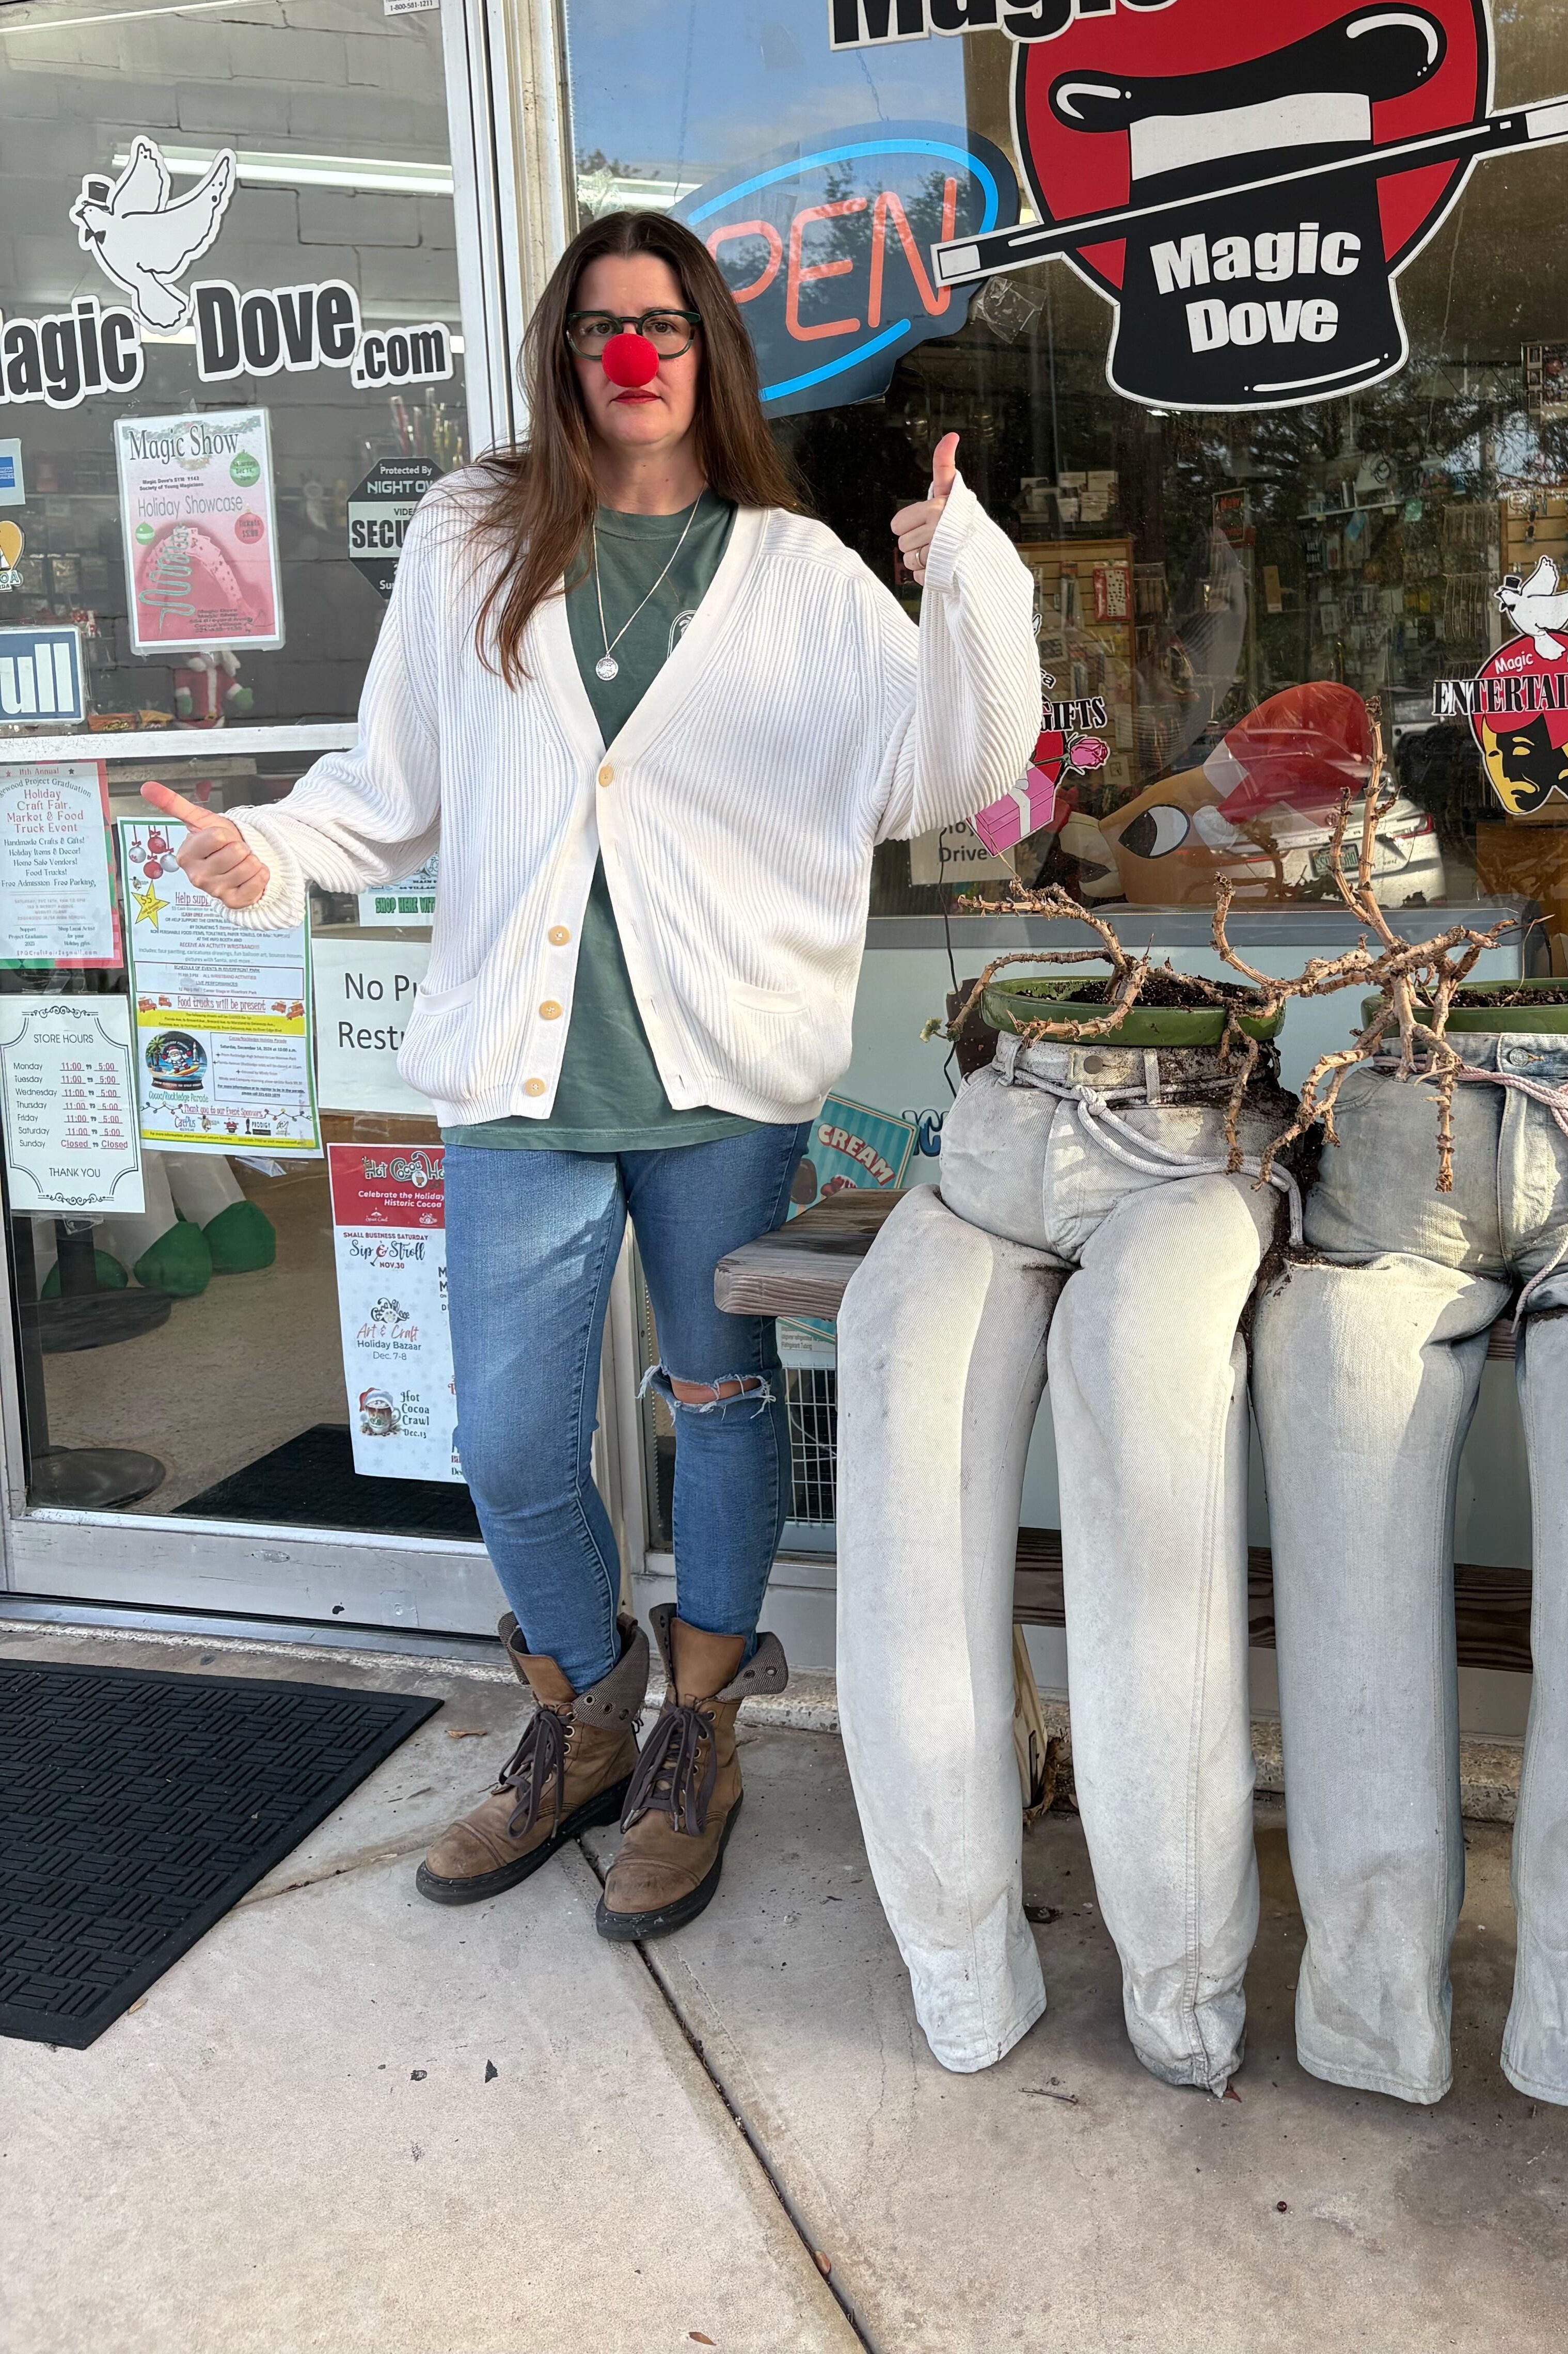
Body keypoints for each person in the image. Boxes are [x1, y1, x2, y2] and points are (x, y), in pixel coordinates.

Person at [145, 209, 1038, 1942]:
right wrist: (273, 851)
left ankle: (700, 1729)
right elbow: (390, 783)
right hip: (519, 1073)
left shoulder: (794, 572)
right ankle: (581, 1709)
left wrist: (968, 588)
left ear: (709, 352)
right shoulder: (474, 540)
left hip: (723, 1075)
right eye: (599, 326)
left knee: (719, 1404)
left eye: (664, 324)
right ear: (563, 354)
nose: (632, 354)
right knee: (507, 1435)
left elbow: (943, 773)